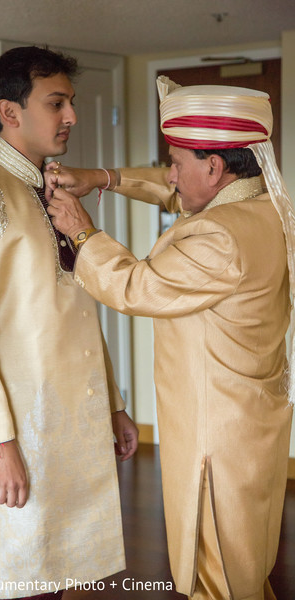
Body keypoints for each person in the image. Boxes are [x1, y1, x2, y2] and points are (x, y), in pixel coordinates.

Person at [45, 77, 295, 600]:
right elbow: (173, 190)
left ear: (215, 167)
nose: (171, 175)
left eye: (178, 161)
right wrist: (102, 177)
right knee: (246, 563)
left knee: (218, 573)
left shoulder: (220, 235)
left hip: (215, 437)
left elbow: (137, 287)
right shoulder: (265, 208)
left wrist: (82, 230)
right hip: (250, 421)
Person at [0, 45, 138, 600]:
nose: (71, 116)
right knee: (14, 579)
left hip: (68, 423)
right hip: (14, 431)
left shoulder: (55, 188)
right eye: (57, 102)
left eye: (69, 102)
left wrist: (113, 403)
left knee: (55, 577)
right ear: (9, 112)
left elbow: (77, 305)